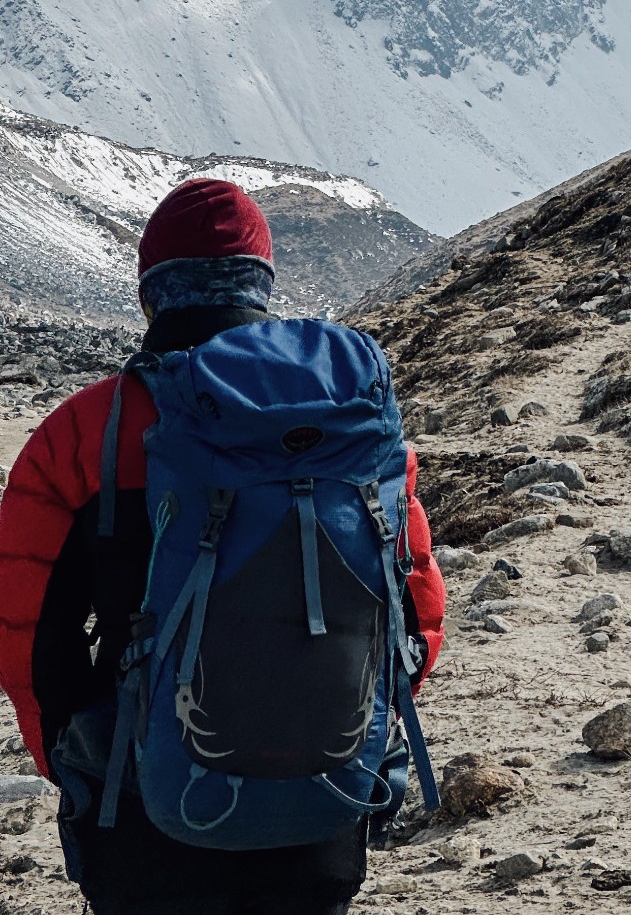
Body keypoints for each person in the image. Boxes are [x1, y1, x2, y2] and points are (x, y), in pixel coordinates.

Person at [0, 178, 445, 915]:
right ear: (260, 289)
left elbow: (23, 631)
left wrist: (75, 761)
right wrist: (338, 725)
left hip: (143, 802)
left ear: (152, 295)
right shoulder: (352, 429)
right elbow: (415, 609)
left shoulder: (87, 431)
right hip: (325, 796)